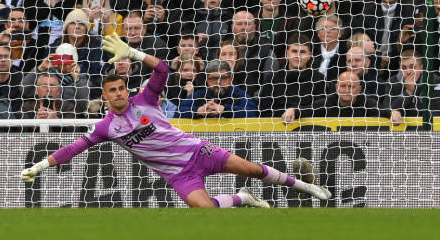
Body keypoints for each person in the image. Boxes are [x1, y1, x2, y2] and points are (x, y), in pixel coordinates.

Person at [21, 33, 332, 207]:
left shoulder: (144, 99)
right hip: (178, 174)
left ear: (126, 89)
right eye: (112, 91)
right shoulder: (106, 127)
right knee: (207, 212)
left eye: (120, 88)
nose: (118, 94)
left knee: (251, 168)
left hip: (199, 151)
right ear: (105, 97)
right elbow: (73, 149)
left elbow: (164, 70)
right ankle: (241, 198)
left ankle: (304, 186)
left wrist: (134, 52)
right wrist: (40, 166)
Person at [281, 72, 402, 124]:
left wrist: (394, 113)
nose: (346, 90)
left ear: (359, 90)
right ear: (337, 88)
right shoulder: (329, 101)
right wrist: (292, 110)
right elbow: (306, 110)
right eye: (343, 86)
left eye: (351, 87)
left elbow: (384, 110)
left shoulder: (365, 102)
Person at [258, 34, 327, 117]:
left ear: (309, 55)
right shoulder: (272, 78)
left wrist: (296, 112)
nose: (298, 56)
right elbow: (264, 111)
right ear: (287, 54)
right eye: (294, 51)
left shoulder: (319, 79)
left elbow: (321, 110)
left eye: (303, 52)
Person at [178, 60, 257, 119]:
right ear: (207, 80)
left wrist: (225, 110)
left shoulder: (239, 95)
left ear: (231, 78)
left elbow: (253, 113)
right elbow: (177, 113)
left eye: (223, 78)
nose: (218, 82)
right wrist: (198, 111)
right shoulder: (200, 94)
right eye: (213, 78)